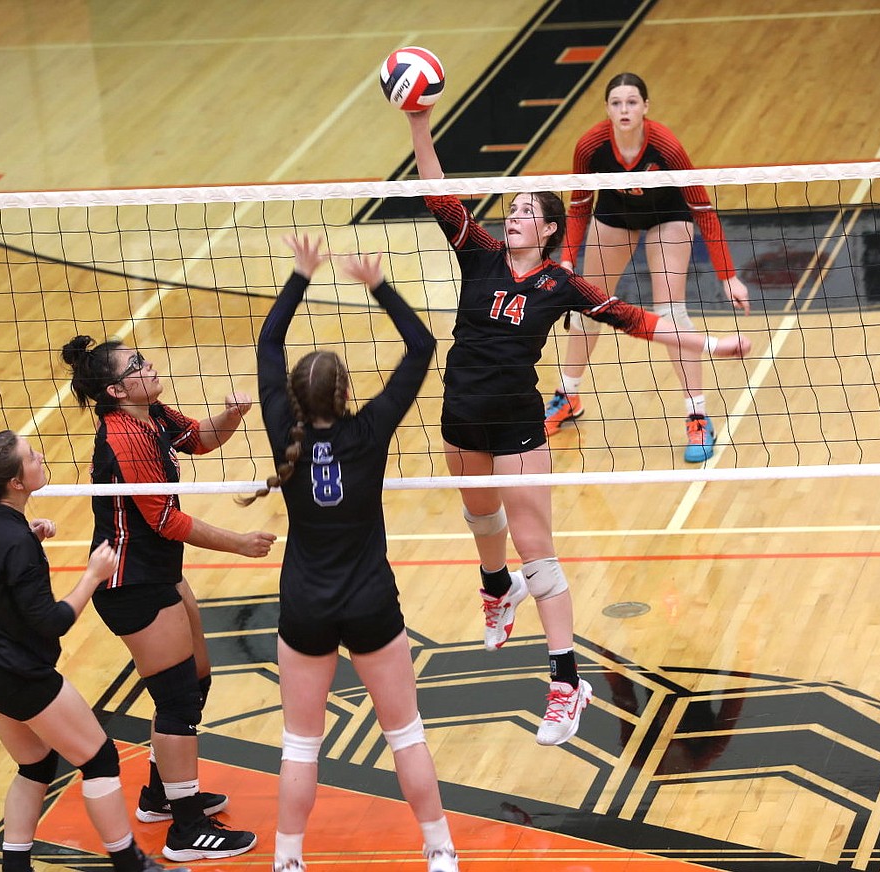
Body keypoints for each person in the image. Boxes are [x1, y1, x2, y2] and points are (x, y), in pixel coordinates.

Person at [403, 107, 751, 745]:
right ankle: (492, 587)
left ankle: (567, 684)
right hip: (459, 417)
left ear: (550, 228)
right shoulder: (477, 254)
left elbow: (642, 321)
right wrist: (419, 122)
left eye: (527, 211)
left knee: (540, 559)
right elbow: (436, 192)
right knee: (481, 520)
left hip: (516, 428)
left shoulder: (563, 284)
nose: (513, 215)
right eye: (511, 208)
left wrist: (716, 345)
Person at [240, 235, 457, 872]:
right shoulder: (369, 431)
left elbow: (267, 347)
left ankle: (287, 860)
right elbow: (422, 348)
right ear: (345, 395)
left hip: (305, 604)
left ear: (299, 401)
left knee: (300, 747)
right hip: (369, 601)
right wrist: (377, 284)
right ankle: (439, 848)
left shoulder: (285, 429)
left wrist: (300, 276)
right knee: (406, 735)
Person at [62, 335, 277, 862]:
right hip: (129, 583)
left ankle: (163, 794)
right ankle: (185, 829)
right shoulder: (123, 438)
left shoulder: (149, 414)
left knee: (198, 677)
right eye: (136, 364)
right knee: (177, 697)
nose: (149, 363)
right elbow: (164, 519)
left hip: (158, 571)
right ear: (115, 388)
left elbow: (199, 440)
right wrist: (240, 545)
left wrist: (230, 415)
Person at [0, 430, 187, 872]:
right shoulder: (12, 540)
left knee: (36, 764)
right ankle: (131, 863)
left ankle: (15, 866)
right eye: (31, 457)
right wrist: (94, 574)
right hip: (18, 673)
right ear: (16, 484)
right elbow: (53, 621)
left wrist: (26, 540)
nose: (40, 457)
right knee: (99, 758)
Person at [544, 72, 752, 463]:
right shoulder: (591, 146)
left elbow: (703, 208)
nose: (624, 109)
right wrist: (568, 258)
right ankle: (567, 395)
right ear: (607, 109)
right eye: (617, 103)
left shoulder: (666, 146)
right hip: (614, 216)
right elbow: (578, 206)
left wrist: (728, 275)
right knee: (586, 307)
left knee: (671, 312)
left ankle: (697, 416)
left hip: (667, 216)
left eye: (632, 102)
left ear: (645, 107)